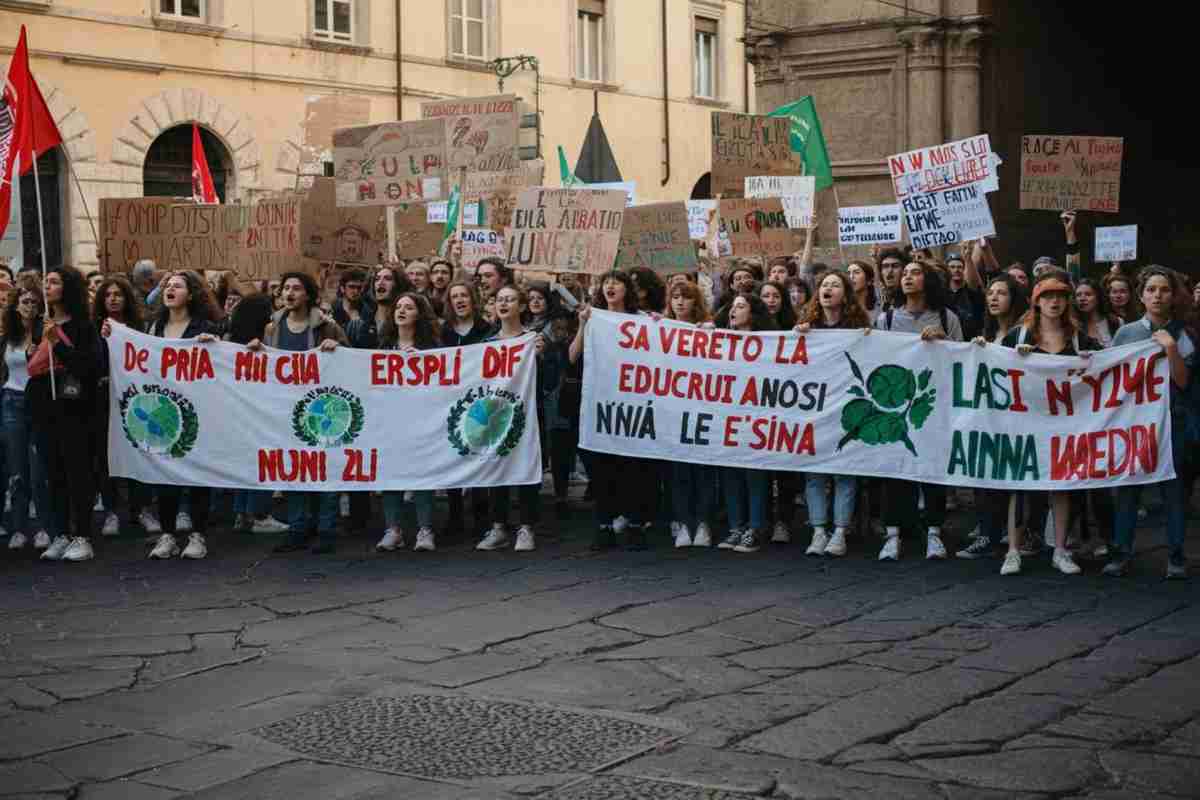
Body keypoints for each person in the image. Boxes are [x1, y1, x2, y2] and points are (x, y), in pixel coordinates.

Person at [107, 271, 221, 560]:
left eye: (177, 286)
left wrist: (213, 346)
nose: (170, 289)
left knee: (197, 474)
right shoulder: (153, 327)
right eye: (167, 286)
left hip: (197, 412)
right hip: (164, 413)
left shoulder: (204, 327)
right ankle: (168, 534)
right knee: (164, 474)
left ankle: (198, 535)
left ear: (191, 294)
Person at [999, 275, 1099, 576]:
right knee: (1019, 484)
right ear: (1037, 301)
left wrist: (1090, 360)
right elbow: (994, 369)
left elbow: (1106, 367)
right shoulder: (1018, 337)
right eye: (1048, 296)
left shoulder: (1080, 339)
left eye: (1060, 296)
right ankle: (1013, 551)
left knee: (1061, 484)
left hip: (1064, 425)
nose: (1054, 302)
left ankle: (1059, 549)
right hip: (1024, 423)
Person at [1104, 266, 1195, 579]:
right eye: (1151, 290)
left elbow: (1183, 381)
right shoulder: (1126, 333)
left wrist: (1170, 348)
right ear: (1141, 296)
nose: (1158, 295)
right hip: (1133, 424)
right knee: (1128, 489)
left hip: (1172, 424)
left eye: (1164, 290)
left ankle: (1176, 556)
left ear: (1172, 296)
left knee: (1173, 491)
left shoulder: (1184, 334)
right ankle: (1121, 552)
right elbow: (1110, 377)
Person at [249, 271, 348, 555]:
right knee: (294, 468)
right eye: (285, 288)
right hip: (285, 410)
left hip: (321, 410)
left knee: (324, 467)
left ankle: (326, 529)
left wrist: (337, 347)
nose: (289, 293)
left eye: (296, 288)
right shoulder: (272, 328)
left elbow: (352, 359)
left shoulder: (326, 326)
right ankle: (298, 528)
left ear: (308, 294)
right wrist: (258, 351)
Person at [874, 261, 963, 562]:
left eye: (915, 273)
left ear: (928, 280)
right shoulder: (885, 319)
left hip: (932, 405)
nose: (907, 277)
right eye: (905, 273)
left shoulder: (945, 317)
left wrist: (943, 342)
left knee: (932, 467)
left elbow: (960, 359)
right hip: (895, 407)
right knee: (895, 470)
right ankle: (894, 533)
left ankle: (934, 532)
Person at [571, 270, 656, 550]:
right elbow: (573, 356)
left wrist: (660, 325)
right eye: (606, 283)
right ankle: (604, 524)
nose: (610, 286)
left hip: (634, 406)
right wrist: (583, 326)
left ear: (626, 289)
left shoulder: (643, 320)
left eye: (616, 282)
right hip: (601, 403)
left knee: (634, 467)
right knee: (603, 468)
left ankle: (635, 523)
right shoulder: (593, 317)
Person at [794, 272, 872, 557]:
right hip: (814, 409)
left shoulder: (859, 327)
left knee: (843, 472)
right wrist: (798, 337)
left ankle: (839, 531)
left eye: (835, 285)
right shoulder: (807, 326)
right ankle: (818, 531)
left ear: (845, 295)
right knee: (814, 474)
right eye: (825, 285)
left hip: (845, 408)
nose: (828, 288)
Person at [955, 273, 1030, 562]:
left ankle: (1010, 532)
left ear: (1014, 299)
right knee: (982, 474)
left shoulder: (1025, 333)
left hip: (1014, 418)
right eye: (991, 293)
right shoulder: (984, 332)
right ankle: (988, 532)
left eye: (1002, 293)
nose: (994, 297)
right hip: (985, 417)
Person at [31, 266, 102, 562]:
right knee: (53, 472)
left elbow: (88, 367)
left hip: (74, 407)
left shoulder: (84, 326)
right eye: (45, 282)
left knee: (77, 472)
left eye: (54, 282)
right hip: (45, 405)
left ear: (68, 287)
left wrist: (57, 343)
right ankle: (61, 533)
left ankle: (83, 536)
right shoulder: (41, 323)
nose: (47, 286)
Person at [476, 285, 544, 553]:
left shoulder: (533, 340)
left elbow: (549, 380)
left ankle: (526, 527)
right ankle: (499, 527)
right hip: (496, 416)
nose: (503, 304)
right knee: (497, 468)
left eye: (510, 300)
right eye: (499, 300)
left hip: (527, 415)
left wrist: (540, 356)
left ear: (522, 306)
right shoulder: (486, 345)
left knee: (527, 467)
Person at [376, 292, 442, 552]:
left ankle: (425, 530)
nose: (401, 311)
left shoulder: (433, 348)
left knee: (422, 475)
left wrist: (426, 362)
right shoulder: (383, 348)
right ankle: (393, 530)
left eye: (409, 307)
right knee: (390, 475)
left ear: (419, 314)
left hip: (421, 423)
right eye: (398, 306)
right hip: (390, 423)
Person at [223, 293, 291, 536]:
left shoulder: (229, 341)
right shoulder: (265, 340)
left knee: (245, 459)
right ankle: (259, 515)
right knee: (264, 458)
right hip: (261, 410)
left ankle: (242, 513)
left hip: (237, 410)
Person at [715, 292, 774, 554]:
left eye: (740, 306)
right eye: (732, 306)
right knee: (731, 474)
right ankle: (736, 526)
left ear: (753, 313)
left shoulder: (771, 343)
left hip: (756, 418)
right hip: (727, 416)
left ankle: (755, 527)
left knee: (754, 473)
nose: (734, 310)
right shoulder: (719, 339)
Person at [92, 276, 148, 539]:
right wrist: (102, 341)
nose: (113, 298)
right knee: (106, 458)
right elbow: (91, 363)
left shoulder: (140, 328)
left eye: (118, 294)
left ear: (127, 298)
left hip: (134, 401)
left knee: (138, 452)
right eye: (108, 294)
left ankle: (141, 509)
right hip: (103, 401)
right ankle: (112, 511)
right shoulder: (93, 329)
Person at [664, 280, 716, 548]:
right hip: (674, 412)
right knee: (679, 471)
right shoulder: (660, 330)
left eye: (685, 297)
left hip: (702, 411)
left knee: (703, 470)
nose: (680, 302)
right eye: (675, 297)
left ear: (696, 302)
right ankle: (685, 523)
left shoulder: (708, 330)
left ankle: (704, 522)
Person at [3, 278, 51, 551]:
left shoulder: (44, 333)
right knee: (16, 469)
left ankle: (44, 526)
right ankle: (20, 528)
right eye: (25, 302)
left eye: (34, 302)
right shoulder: (6, 337)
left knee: (38, 471)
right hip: (11, 402)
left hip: (37, 404)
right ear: (16, 305)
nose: (30, 307)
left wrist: (41, 350)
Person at [1075, 277, 1121, 348]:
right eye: (1078, 295)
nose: (1082, 298)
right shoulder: (1073, 326)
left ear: (1098, 297)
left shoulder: (1116, 322)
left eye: (1088, 294)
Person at [847, 260, 879, 325]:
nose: (851, 277)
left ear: (869, 280)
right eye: (848, 273)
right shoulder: (843, 307)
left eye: (856, 272)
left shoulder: (880, 307)